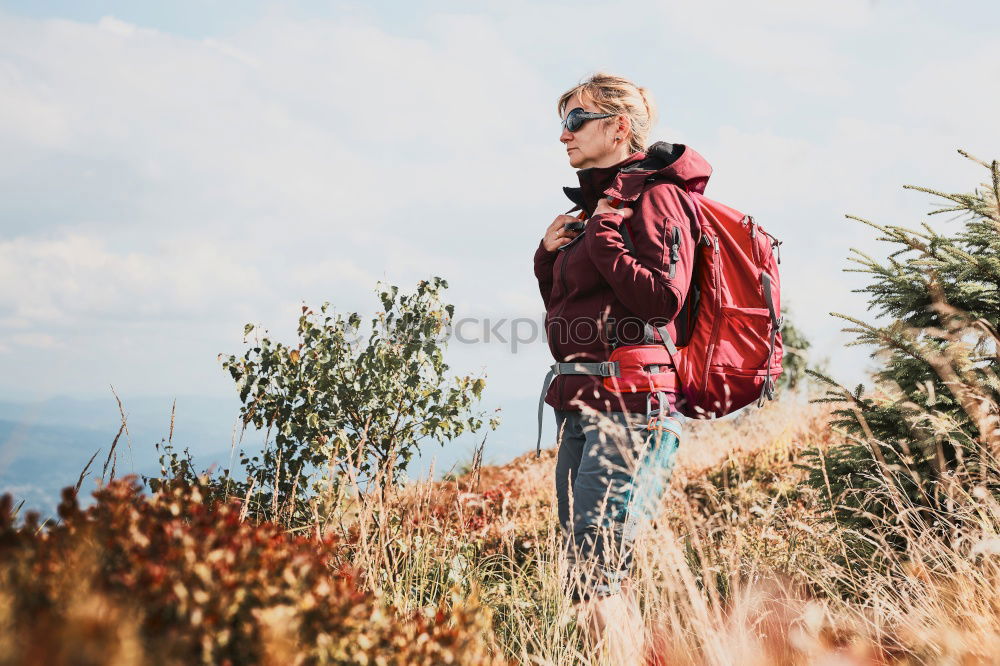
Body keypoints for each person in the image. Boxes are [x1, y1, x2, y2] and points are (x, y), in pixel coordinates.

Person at [533, 72, 713, 664]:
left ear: (618, 127)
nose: (563, 136)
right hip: (582, 408)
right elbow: (571, 318)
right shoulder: (598, 206)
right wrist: (548, 256)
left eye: (575, 121)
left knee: (592, 571)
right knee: (591, 569)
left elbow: (664, 299)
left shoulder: (657, 197)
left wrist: (606, 233)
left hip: (632, 406)